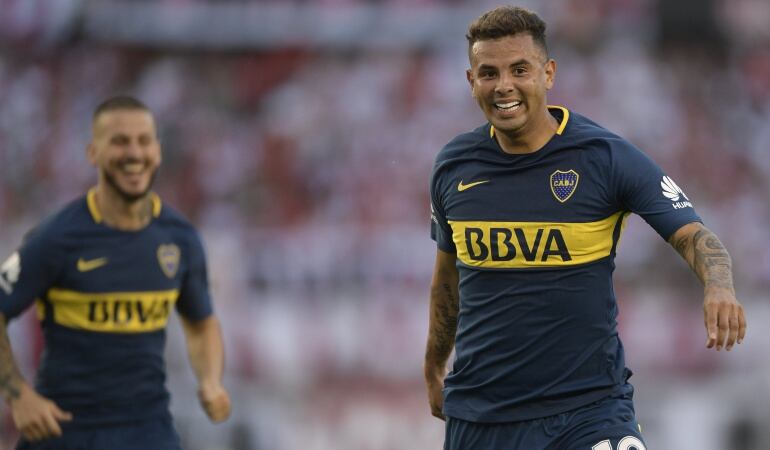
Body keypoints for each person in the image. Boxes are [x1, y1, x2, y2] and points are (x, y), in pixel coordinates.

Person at [424, 6, 746, 450]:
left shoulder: (605, 158)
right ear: (471, 81)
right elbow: (447, 280)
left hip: (588, 412)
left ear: (548, 73)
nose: (504, 86)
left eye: (520, 69)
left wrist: (718, 286)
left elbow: (694, 235)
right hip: (482, 418)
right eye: (489, 73)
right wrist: (433, 365)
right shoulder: (453, 166)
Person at [0, 96, 231, 449]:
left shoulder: (180, 239)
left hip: (147, 430)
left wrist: (211, 380)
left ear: (158, 150)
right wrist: (18, 395)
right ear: (93, 153)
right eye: (120, 141)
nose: (134, 153)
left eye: (144, 140)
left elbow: (201, 323)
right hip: (66, 431)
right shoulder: (55, 238)